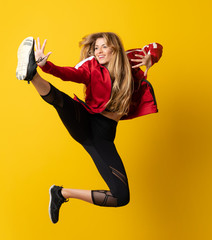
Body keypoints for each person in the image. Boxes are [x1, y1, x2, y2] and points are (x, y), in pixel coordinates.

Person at [15, 33, 163, 224]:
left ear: (115, 48)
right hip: (86, 121)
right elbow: (68, 73)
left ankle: (61, 193)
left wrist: (151, 57)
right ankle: (32, 73)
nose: (99, 51)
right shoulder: (91, 67)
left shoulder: (129, 60)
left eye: (104, 47)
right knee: (61, 102)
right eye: (96, 48)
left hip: (104, 138)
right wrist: (46, 65)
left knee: (121, 196)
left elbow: (156, 47)